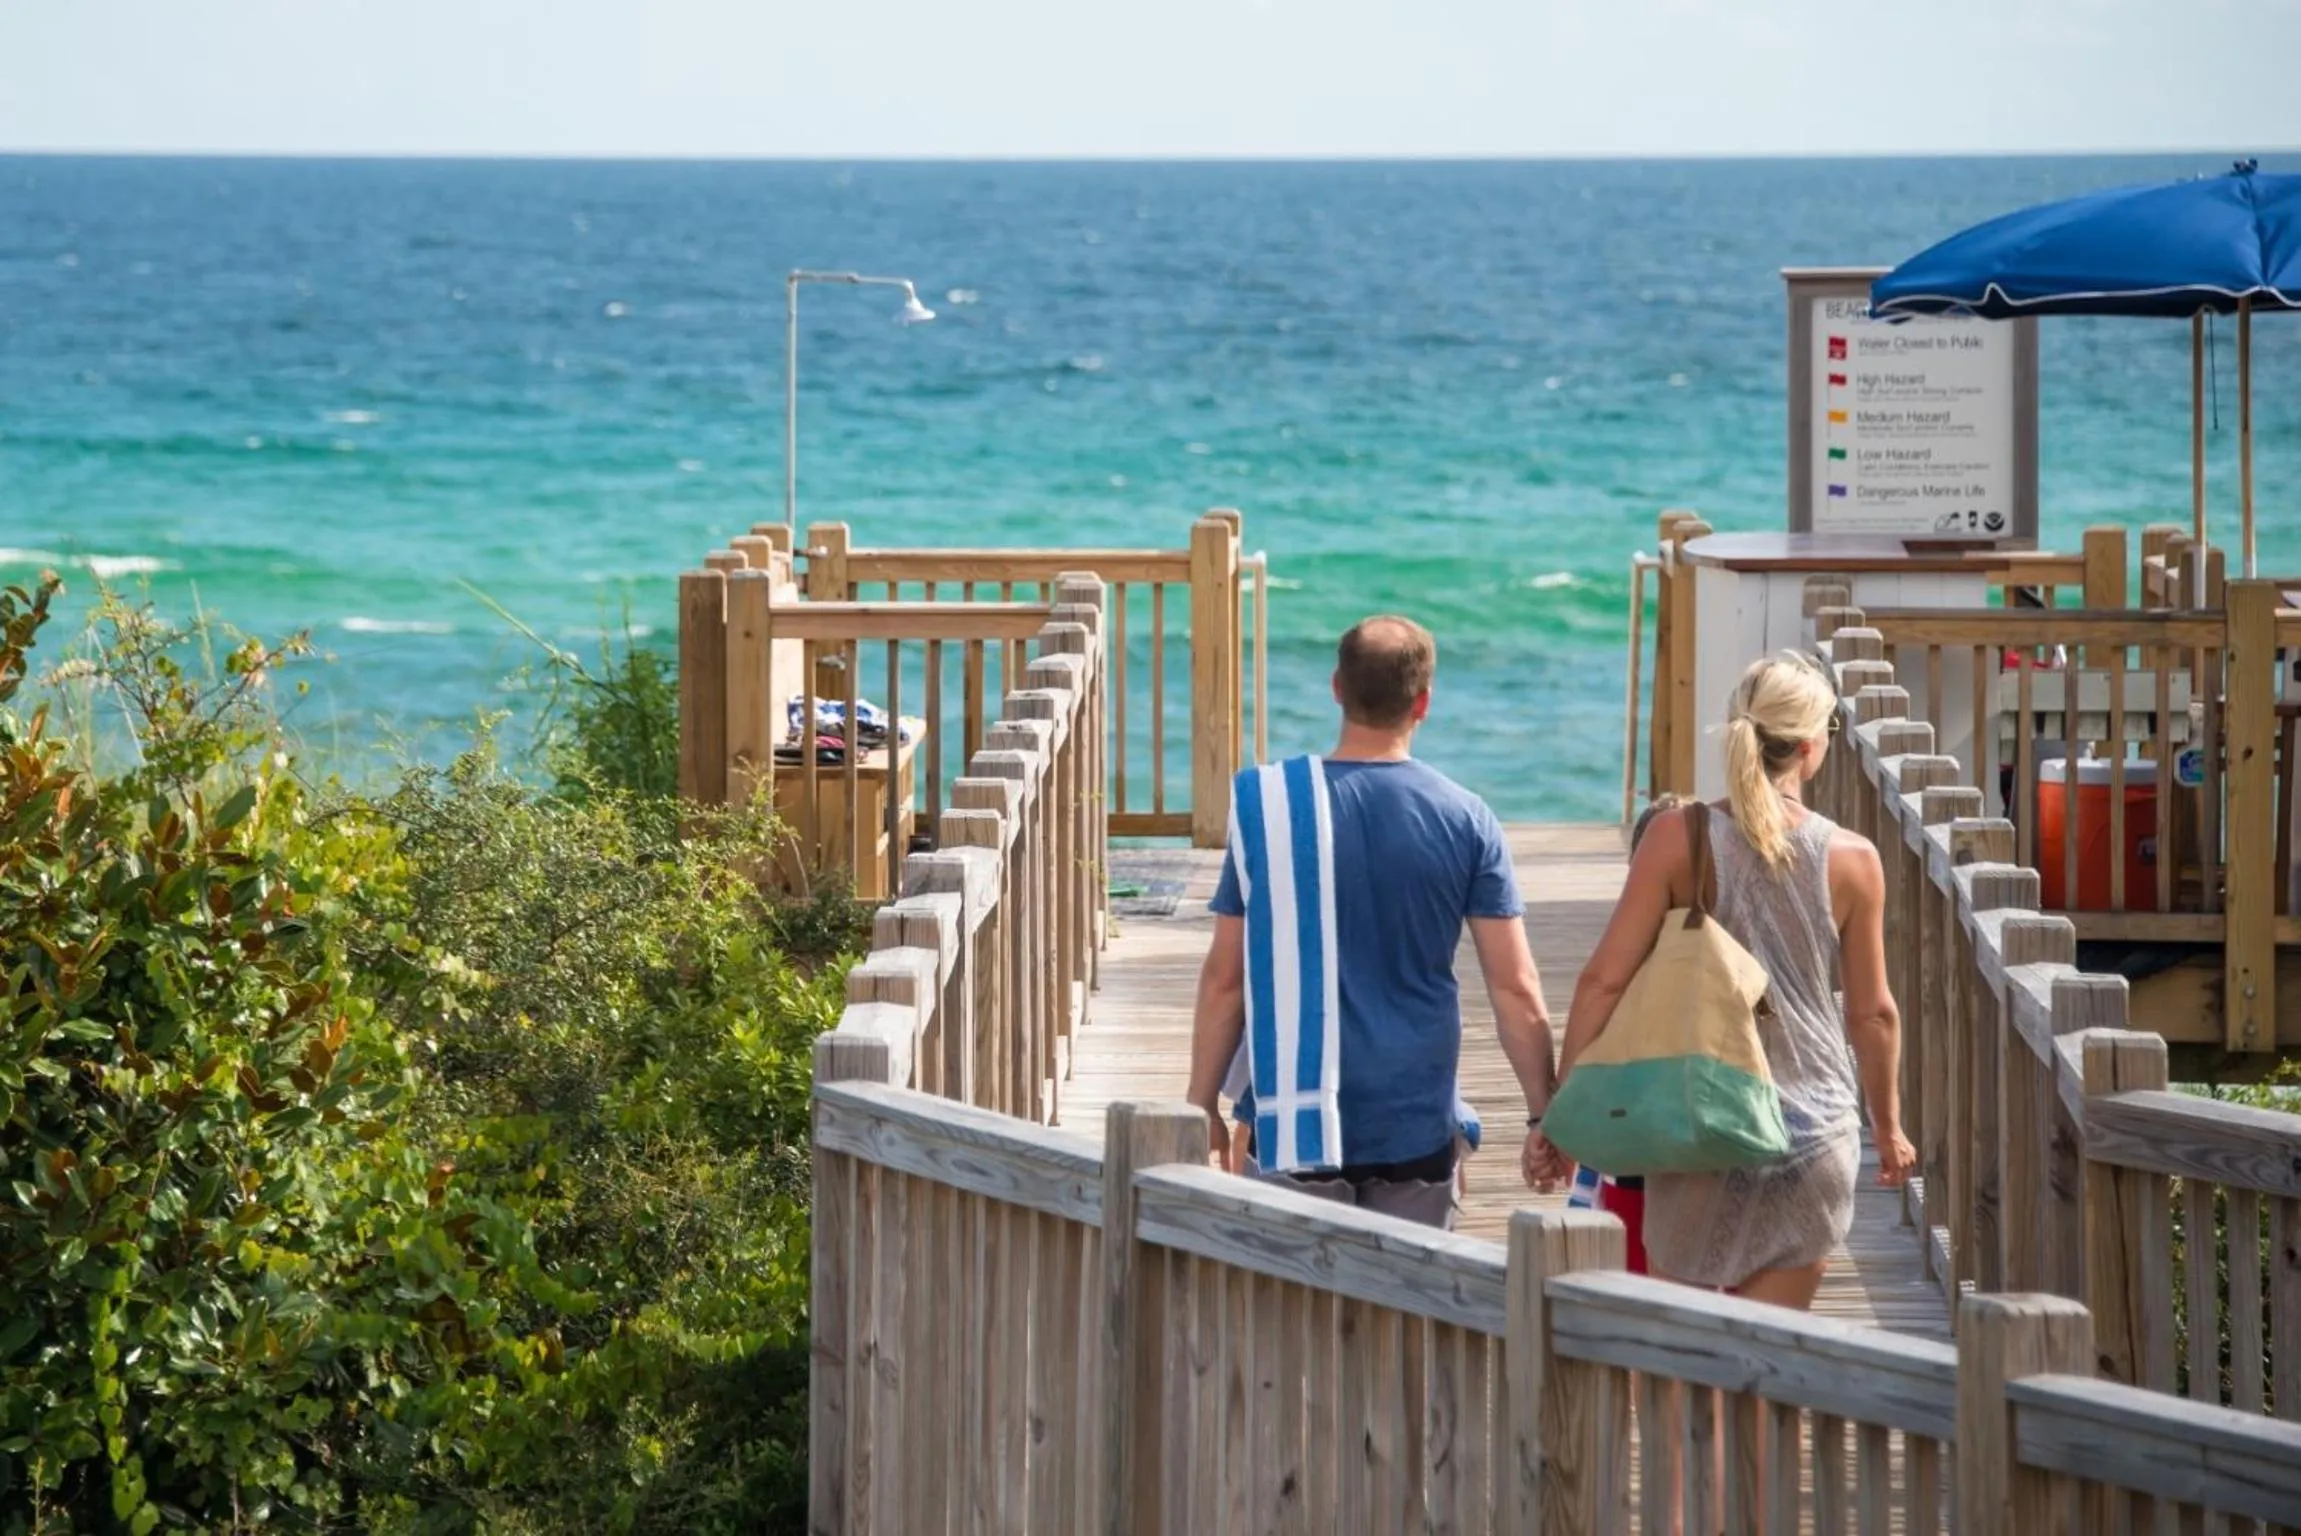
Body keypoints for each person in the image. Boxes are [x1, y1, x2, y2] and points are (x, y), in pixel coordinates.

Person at [1540, 651, 1915, 1309]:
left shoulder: (1674, 837)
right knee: (1767, 1357)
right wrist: (1887, 1128)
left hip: (1699, 1121)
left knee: (1681, 1354)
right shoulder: (1854, 858)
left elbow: (1601, 981)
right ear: (1809, 746)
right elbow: (1872, 1014)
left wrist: (1563, 1113)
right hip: (1811, 1131)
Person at [1186, 615, 1568, 1228]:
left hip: (1293, 1113)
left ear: (1337, 687)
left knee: (1290, 1286)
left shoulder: (1273, 813)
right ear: (1424, 703)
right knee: (1409, 1286)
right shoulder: (1467, 818)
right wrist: (1544, 1114)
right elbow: (1515, 989)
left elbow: (1225, 979)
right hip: (1413, 1115)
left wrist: (1202, 1102)